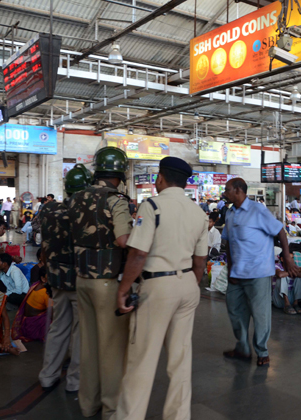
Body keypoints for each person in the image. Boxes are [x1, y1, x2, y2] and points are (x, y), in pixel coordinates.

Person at [114, 157, 207, 420]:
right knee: (180, 358)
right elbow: (200, 261)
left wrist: (124, 289)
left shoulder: (151, 206)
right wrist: (187, 283)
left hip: (158, 285)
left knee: (142, 359)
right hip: (188, 284)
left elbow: (138, 254)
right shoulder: (198, 212)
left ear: (160, 178)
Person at [68, 147, 133, 419]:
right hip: (107, 283)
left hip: (81, 280)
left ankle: (87, 403)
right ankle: (111, 409)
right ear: (120, 172)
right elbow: (123, 240)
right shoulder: (116, 199)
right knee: (111, 348)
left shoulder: (76, 197)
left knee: (89, 345)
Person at [217, 177, 299, 368]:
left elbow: (280, 231)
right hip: (237, 273)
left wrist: (287, 258)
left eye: (227, 189)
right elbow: (228, 242)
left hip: (259, 272)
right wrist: (230, 268)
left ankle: (262, 350)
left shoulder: (257, 210)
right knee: (235, 311)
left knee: (260, 314)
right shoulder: (230, 213)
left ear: (238, 190)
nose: (224, 193)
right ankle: (243, 348)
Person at [39, 164, 91, 394]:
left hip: (57, 280)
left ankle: (48, 375)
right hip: (80, 281)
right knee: (80, 331)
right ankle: (75, 381)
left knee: (58, 327)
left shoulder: (49, 211)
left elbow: (45, 245)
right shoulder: (87, 213)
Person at [12, 267, 50, 342]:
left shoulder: (36, 284)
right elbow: (52, 314)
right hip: (34, 327)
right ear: (43, 278)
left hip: (26, 324)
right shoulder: (46, 292)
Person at [272, 250, 301, 315]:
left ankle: (296, 303)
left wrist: (292, 272)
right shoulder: (276, 266)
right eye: (289, 258)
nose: (291, 260)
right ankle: (287, 304)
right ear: (282, 259)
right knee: (282, 277)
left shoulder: (295, 266)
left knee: (300, 278)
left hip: (292, 298)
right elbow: (280, 274)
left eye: (292, 258)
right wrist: (292, 272)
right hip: (279, 298)